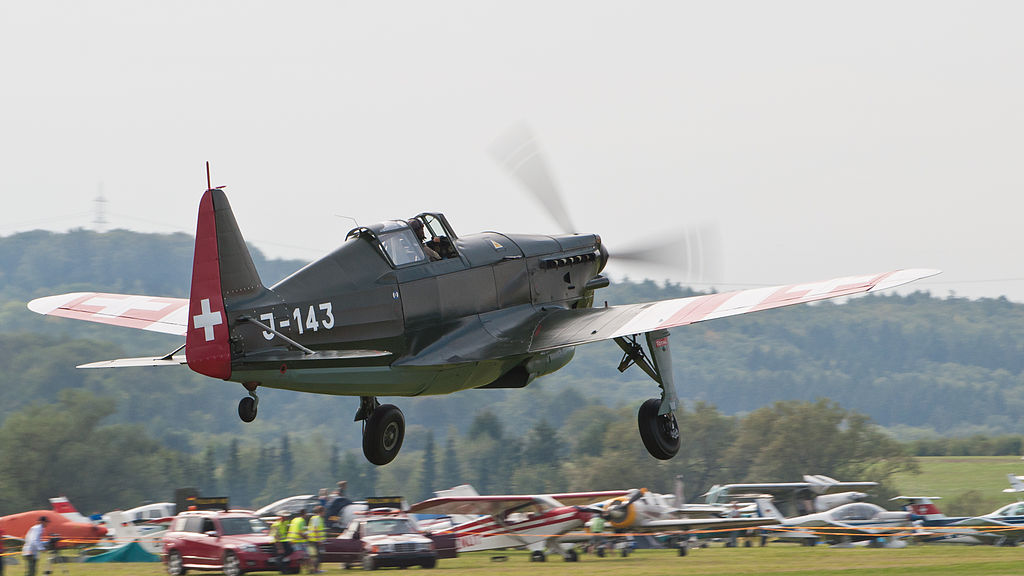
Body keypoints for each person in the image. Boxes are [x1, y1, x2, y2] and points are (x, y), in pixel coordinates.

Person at [307, 506, 327, 574]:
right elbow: (316, 529)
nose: (324, 513)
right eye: (324, 511)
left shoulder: (315, 518)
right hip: (315, 540)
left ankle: (316, 569)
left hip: (314, 540)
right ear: (321, 512)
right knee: (317, 556)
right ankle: (315, 570)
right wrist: (318, 540)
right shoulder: (317, 518)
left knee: (316, 555)